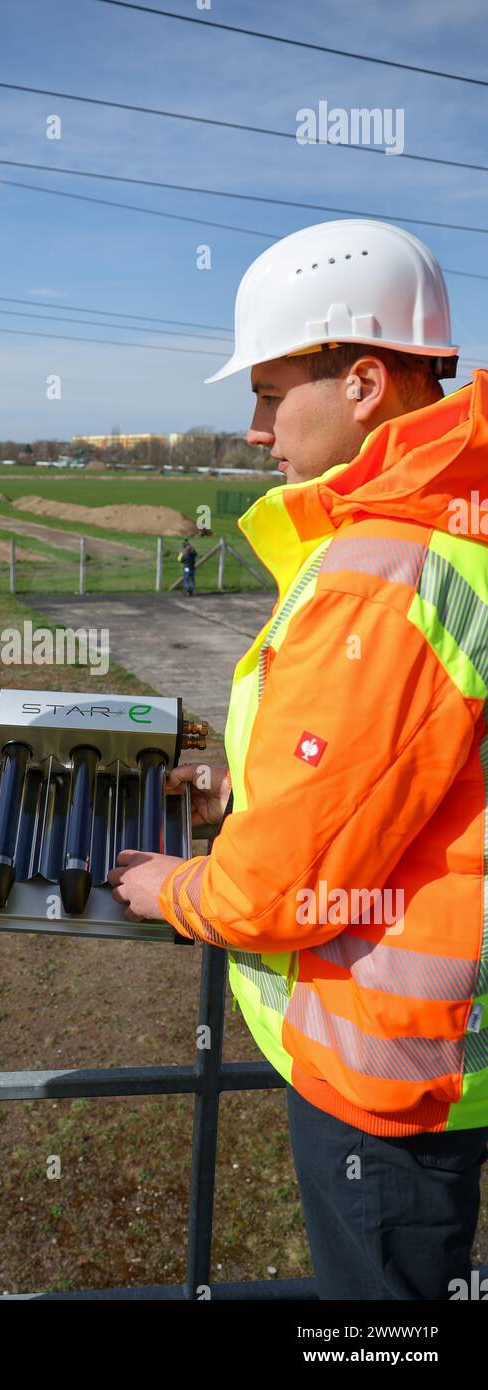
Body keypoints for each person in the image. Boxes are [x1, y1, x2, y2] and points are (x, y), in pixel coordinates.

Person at [108, 218, 488, 1301]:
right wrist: (248, 785)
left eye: (272, 392)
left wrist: (171, 884)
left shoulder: (385, 567)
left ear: (363, 381)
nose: (253, 426)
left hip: (390, 1080)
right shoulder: (449, 527)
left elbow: (283, 887)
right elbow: (420, 770)